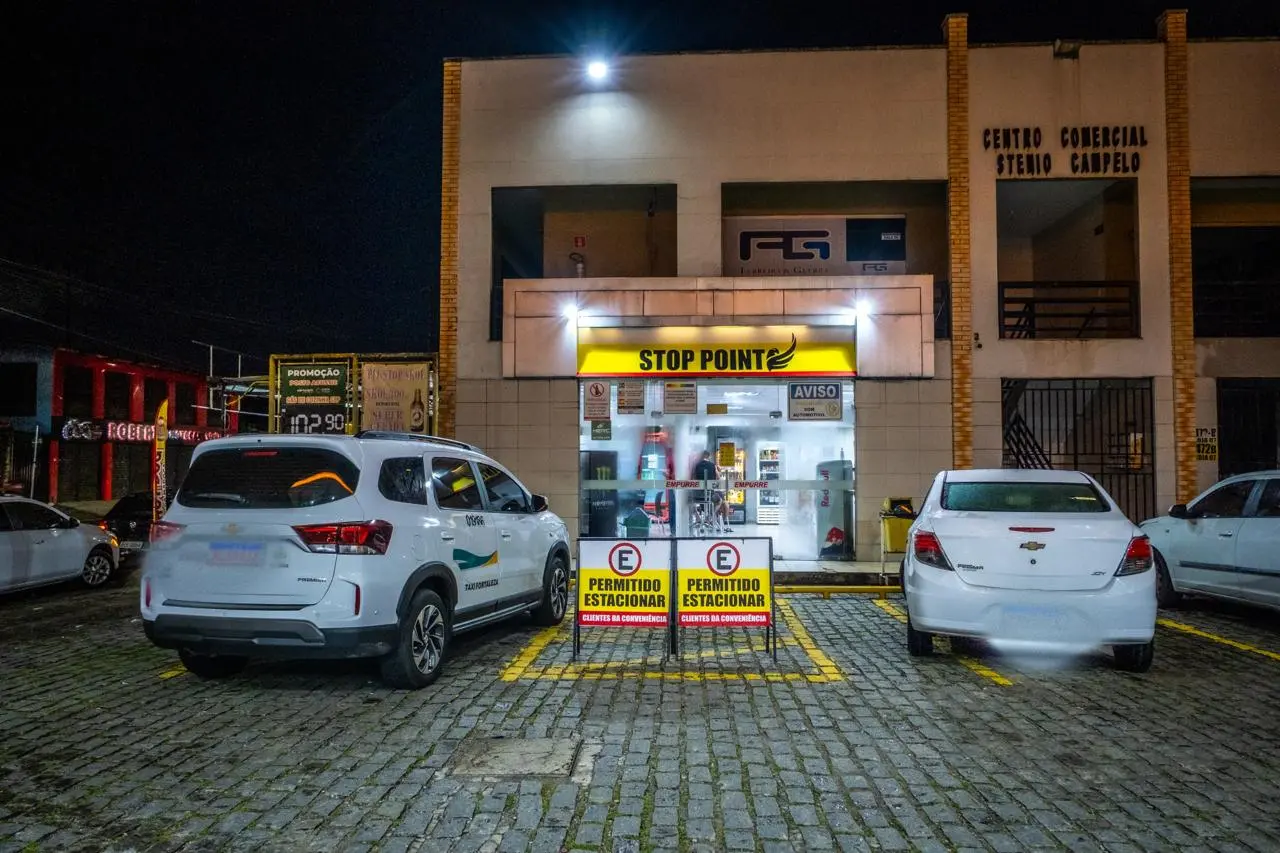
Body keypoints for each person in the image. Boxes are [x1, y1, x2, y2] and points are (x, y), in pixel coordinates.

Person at [691, 451, 731, 533]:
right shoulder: (712, 465)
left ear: (701, 457)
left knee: (692, 503)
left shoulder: (697, 466)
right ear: (708, 457)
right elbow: (718, 478)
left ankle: (703, 518)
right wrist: (716, 470)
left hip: (697, 495)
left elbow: (693, 478)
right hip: (710, 495)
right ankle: (709, 517)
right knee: (719, 501)